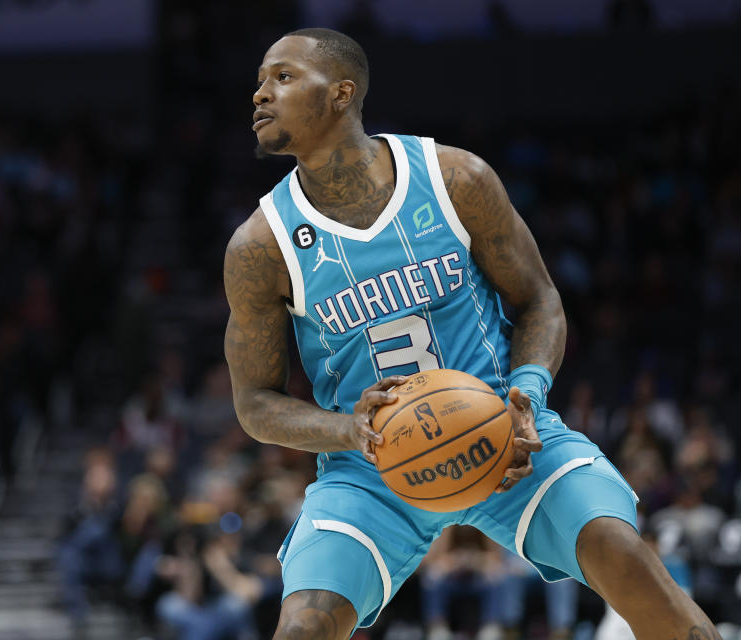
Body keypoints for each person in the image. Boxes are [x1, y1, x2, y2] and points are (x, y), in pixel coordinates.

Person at [222, 27, 720, 640]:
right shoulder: (260, 246)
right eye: (260, 81)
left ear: (343, 92)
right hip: (369, 468)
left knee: (626, 558)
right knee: (303, 628)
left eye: (283, 76)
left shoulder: (455, 179)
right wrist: (347, 428)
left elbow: (539, 299)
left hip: (505, 433)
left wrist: (527, 397)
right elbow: (253, 403)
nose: (260, 94)